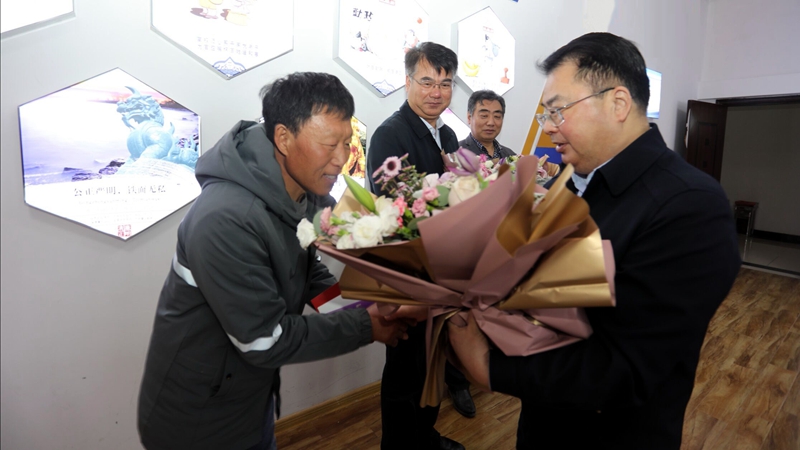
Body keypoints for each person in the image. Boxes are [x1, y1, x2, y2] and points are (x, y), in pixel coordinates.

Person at [448, 32, 741, 449]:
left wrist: (488, 368)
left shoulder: (690, 206)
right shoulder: (571, 184)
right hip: (542, 424)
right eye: (545, 114)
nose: (549, 127)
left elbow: (623, 368)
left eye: (558, 110)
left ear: (618, 103)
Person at [137, 72, 408, 450]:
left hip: (248, 398)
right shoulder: (225, 219)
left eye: (347, 143)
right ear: (283, 137)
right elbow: (264, 340)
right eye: (329, 145)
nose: (341, 159)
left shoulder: (302, 191)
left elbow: (303, 268)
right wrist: (367, 325)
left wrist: (359, 303)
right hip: (197, 418)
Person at [366, 42, 467, 450]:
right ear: (407, 82)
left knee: (434, 362)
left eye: (445, 83)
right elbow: (395, 209)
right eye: (426, 82)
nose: (436, 92)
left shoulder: (448, 133)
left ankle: (424, 436)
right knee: (405, 370)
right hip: (409, 272)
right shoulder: (391, 133)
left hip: (443, 271)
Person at [458, 89, 515, 160]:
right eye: (484, 116)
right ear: (469, 117)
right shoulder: (455, 153)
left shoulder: (511, 156)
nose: (491, 123)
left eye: (497, 116)